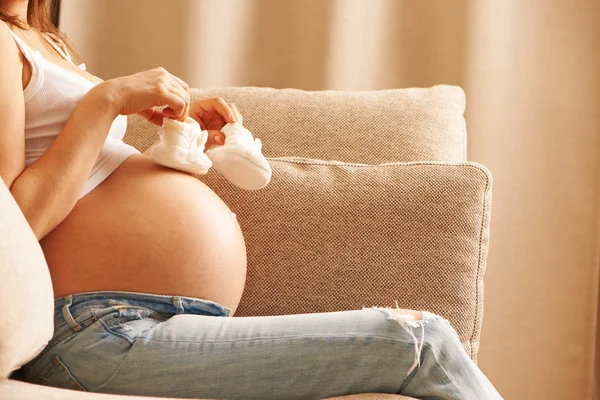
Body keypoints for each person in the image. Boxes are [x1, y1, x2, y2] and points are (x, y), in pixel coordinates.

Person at [0, 1, 502, 399]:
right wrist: (105, 101)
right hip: (92, 332)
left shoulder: (43, 39)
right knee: (419, 344)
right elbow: (14, 224)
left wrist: (164, 114)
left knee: (423, 343)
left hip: (139, 319)